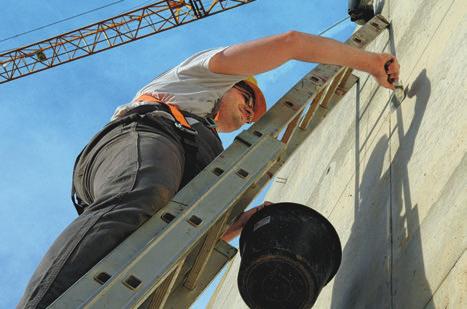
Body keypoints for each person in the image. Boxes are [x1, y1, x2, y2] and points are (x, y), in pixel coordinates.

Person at [18, 30, 399, 308]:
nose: (250, 112)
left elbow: (192, 224)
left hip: (154, 178)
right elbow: (291, 43)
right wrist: (369, 63)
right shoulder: (199, 75)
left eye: (253, 113)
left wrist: (239, 223)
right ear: (231, 83)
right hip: (139, 138)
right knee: (146, 189)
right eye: (248, 97)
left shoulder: (211, 146)